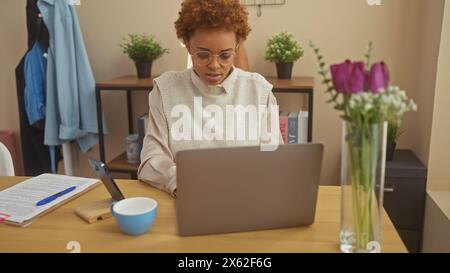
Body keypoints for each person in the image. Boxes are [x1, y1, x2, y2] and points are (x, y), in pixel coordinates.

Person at [138, 0, 282, 197]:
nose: (214, 66)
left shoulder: (259, 91)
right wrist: (180, 180)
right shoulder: (165, 90)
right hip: (187, 198)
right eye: (203, 55)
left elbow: (276, 160)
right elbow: (151, 159)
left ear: (237, 46)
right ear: (188, 45)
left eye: (225, 56)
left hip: (247, 199)